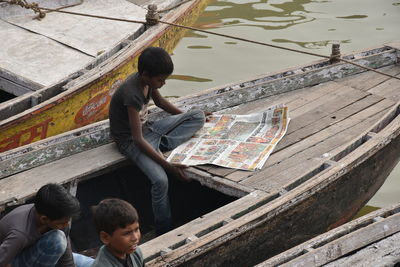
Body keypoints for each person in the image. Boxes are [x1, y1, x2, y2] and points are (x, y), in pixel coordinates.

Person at [109, 46, 209, 235]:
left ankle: (161, 145)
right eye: (160, 80)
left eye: (164, 80)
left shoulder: (148, 83)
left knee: (198, 116)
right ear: (145, 74)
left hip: (149, 129)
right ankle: (164, 228)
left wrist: (185, 116)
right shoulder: (132, 94)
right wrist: (169, 166)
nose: (162, 84)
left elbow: (161, 103)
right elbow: (137, 140)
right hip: (130, 142)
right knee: (160, 180)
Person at [0, 183, 94, 267]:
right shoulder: (20, 235)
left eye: (68, 221)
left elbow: (67, 258)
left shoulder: (53, 215)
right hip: (13, 259)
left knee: (92, 264)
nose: (66, 225)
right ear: (44, 219)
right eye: (62, 223)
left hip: (42, 251)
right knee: (57, 240)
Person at [91, 198, 143, 267]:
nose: (135, 238)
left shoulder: (135, 252)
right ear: (105, 237)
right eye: (127, 233)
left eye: (136, 229)